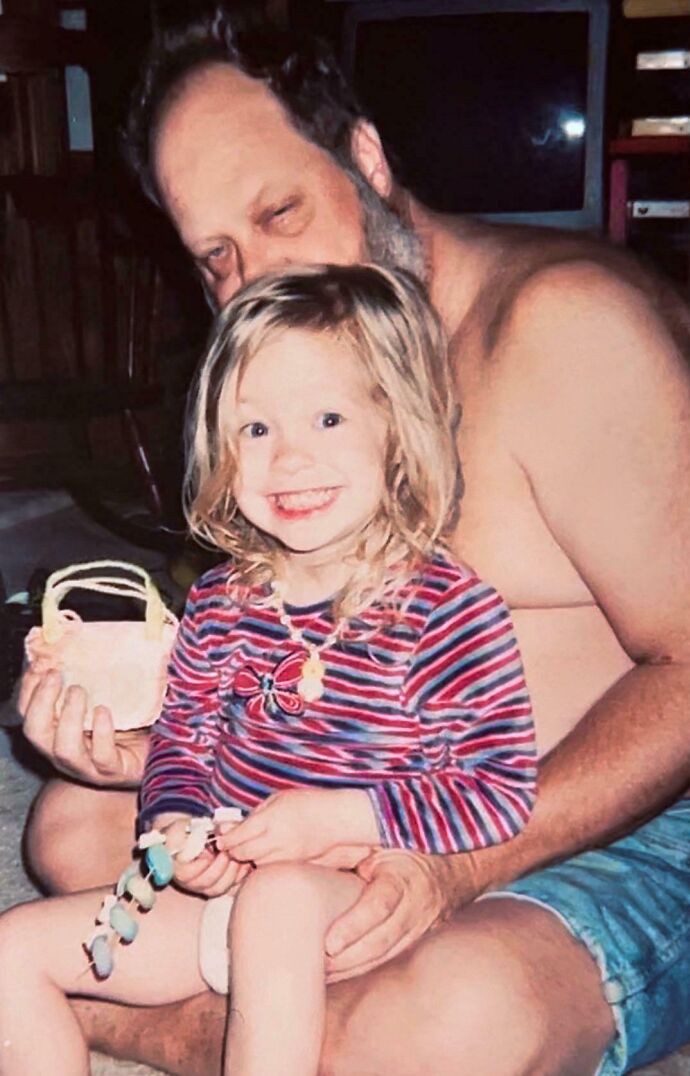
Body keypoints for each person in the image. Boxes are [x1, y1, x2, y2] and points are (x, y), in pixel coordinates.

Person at [17, 8, 690, 1075]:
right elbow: (267, 650)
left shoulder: (564, 330)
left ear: (367, 158)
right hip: (345, 794)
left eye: (280, 210)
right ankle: (275, 1013)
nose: (254, 280)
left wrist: (452, 868)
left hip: (610, 825)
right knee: (72, 822)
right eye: (217, 257)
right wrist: (131, 730)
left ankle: (164, 1014)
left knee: (441, 1021)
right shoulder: (291, 386)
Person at [0, 264, 536, 1076]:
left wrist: (344, 819)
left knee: (280, 901)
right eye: (255, 429)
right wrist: (176, 825)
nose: (289, 458)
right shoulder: (220, 602)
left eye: (327, 418)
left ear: (400, 430)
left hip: (349, 901)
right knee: (11, 950)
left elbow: (497, 791)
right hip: (223, 899)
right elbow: (184, 740)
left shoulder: (450, 610)